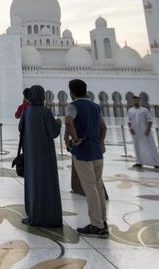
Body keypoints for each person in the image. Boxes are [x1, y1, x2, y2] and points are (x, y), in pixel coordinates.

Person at [65, 79, 109, 238]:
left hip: (83, 152)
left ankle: (96, 224)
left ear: (72, 92)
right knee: (98, 187)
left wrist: (75, 139)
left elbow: (68, 122)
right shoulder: (95, 106)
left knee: (90, 188)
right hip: (97, 152)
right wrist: (101, 141)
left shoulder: (73, 105)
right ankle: (103, 222)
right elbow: (103, 127)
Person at [18, 85, 63, 227]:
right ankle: (49, 216)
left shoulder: (27, 112)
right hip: (46, 155)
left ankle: (34, 215)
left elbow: (20, 128)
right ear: (42, 96)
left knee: (33, 183)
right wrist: (58, 124)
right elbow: (53, 133)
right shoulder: (46, 112)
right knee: (48, 183)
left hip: (31, 155)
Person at [126, 96, 159, 169]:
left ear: (140, 102)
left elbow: (150, 120)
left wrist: (148, 130)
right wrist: (130, 128)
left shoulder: (144, 110)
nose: (135, 102)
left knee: (150, 146)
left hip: (145, 131)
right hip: (135, 132)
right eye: (134, 101)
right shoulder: (130, 110)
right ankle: (139, 162)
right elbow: (129, 120)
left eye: (137, 101)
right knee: (137, 146)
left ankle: (156, 163)